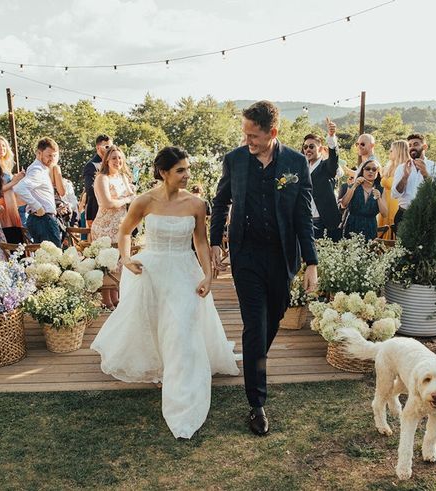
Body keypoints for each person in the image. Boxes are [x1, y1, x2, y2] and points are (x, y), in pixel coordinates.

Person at [91, 146, 239, 439]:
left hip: (184, 271)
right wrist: (126, 258)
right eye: (180, 170)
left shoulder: (196, 204)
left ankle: (182, 391)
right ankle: (160, 366)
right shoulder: (144, 201)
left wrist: (208, 275)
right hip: (152, 270)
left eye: (187, 169)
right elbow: (124, 232)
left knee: (181, 327)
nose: (186, 175)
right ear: (163, 172)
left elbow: (199, 242)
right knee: (156, 322)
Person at [210, 101, 318, 436]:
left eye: (253, 135)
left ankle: (255, 361)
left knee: (273, 319)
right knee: (254, 326)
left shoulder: (295, 162)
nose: (247, 140)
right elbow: (221, 202)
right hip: (246, 256)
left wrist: (311, 263)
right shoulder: (235, 160)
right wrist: (216, 241)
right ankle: (256, 403)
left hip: (282, 256)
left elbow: (303, 217)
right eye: (245, 133)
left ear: (273, 133)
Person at [392, 133, 436, 232]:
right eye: (410, 145)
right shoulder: (401, 168)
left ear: (424, 147)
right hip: (404, 215)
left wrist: (425, 173)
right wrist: (405, 177)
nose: (412, 148)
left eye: (416, 144)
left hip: (427, 217)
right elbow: (395, 194)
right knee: (402, 247)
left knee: (425, 247)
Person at [13, 138, 62, 247]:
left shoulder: (41, 169)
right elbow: (19, 188)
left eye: (54, 156)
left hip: (42, 219)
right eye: (49, 155)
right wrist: (38, 207)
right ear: (39, 153)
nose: (52, 159)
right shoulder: (37, 170)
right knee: (54, 258)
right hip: (43, 220)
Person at [303, 118, 342, 241]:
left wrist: (331, 137)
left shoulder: (326, 167)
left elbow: (333, 160)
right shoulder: (302, 169)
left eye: (311, 146)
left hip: (324, 221)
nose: (307, 149)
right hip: (306, 221)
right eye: (305, 147)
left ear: (320, 149)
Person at [91, 145, 136, 243]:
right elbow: (108, 203)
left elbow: (133, 197)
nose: (118, 161)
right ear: (107, 160)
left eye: (120, 158)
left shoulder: (123, 177)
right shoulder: (102, 178)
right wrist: (127, 199)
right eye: (114, 158)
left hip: (121, 227)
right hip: (104, 229)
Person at [340, 158, 388, 241]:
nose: (371, 171)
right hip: (352, 225)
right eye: (368, 169)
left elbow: (384, 214)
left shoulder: (380, 190)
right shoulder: (353, 186)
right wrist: (354, 186)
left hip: (370, 227)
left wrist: (379, 198)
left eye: (374, 169)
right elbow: (344, 204)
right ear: (363, 171)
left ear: (378, 173)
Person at [0, 135, 25, 229]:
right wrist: (14, 181)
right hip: (1, 206)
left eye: (3, 145)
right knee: (9, 234)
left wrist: (16, 179)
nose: (1, 148)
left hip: (11, 203)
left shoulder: (5, 164)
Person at [378, 140, 408, 240]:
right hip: (385, 202)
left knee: (392, 228)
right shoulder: (389, 167)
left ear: (399, 151)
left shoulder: (405, 168)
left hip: (395, 203)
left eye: (392, 150)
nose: (389, 152)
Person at [83, 134, 112, 227]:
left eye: (111, 147)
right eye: (107, 147)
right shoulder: (92, 165)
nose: (110, 150)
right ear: (98, 147)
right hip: (96, 210)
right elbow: (90, 190)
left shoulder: (112, 164)